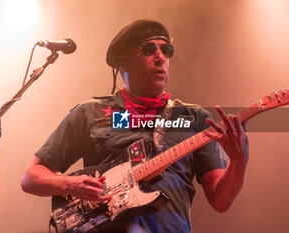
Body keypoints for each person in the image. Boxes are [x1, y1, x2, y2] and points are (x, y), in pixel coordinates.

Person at [21, 19, 249, 233]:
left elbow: (221, 201)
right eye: (149, 49)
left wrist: (238, 161)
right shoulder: (89, 113)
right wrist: (71, 184)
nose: (161, 57)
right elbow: (31, 177)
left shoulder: (194, 117)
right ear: (123, 60)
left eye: (166, 50)